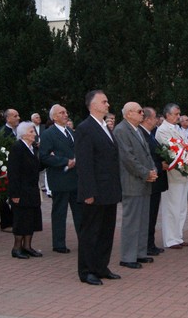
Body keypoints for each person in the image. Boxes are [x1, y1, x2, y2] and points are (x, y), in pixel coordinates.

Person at [74, 90, 122, 286]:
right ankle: (86, 271)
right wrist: (88, 192)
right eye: (104, 101)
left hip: (109, 188)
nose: (107, 104)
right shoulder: (85, 128)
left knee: (106, 231)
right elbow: (84, 164)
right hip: (95, 190)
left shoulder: (105, 127)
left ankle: (101, 267)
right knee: (90, 232)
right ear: (92, 104)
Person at [113, 102, 157, 270]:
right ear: (129, 113)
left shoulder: (137, 129)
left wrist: (152, 169)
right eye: (139, 111)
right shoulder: (121, 130)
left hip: (144, 180)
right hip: (132, 181)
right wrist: (146, 173)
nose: (142, 114)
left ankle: (140, 253)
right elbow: (128, 158)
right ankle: (127, 256)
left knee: (143, 220)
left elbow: (147, 153)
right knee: (132, 220)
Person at [39, 104, 81, 254]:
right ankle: (58, 243)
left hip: (75, 179)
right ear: (54, 117)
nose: (65, 115)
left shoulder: (70, 131)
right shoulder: (48, 134)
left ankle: (83, 240)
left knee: (79, 212)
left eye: (66, 112)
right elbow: (43, 156)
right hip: (60, 178)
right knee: (59, 212)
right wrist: (64, 162)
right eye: (61, 113)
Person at [156, 103, 188, 249]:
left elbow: (186, 145)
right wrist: (185, 152)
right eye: (176, 114)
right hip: (173, 173)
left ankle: (178, 236)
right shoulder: (163, 130)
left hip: (183, 172)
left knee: (182, 207)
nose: (179, 117)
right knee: (172, 207)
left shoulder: (177, 129)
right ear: (168, 115)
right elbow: (171, 150)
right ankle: (170, 239)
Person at [7, 122, 44, 259]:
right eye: (31, 132)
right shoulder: (17, 147)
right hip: (21, 190)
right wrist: (14, 194)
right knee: (21, 219)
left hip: (32, 189)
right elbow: (13, 172)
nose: (34, 134)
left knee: (31, 219)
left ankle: (27, 246)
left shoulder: (32, 148)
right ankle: (17, 248)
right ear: (23, 134)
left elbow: (36, 167)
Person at [140, 106, 167, 256]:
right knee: (148, 215)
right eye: (155, 117)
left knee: (153, 215)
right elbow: (143, 159)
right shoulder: (142, 135)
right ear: (148, 119)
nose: (157, 120)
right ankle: (146, 244)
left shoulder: (150, 134)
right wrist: (160, 165)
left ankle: (150, 242)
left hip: (156, 181)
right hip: (149, 180)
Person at [0, 108, 20, 232]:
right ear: (8, 118)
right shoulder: (2, 132)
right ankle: (6, 223)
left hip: (17, 167)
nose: (18, 118)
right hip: (6, 167)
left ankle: (15, 219)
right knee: (5, 196)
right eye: (15, 116)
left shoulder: (18, 131)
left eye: (18, 115)